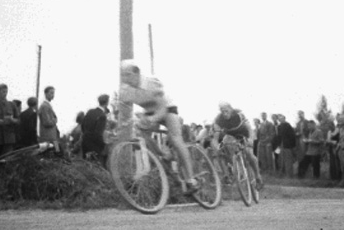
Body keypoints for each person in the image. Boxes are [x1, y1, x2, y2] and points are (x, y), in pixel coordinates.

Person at [119, 60, 199, 194]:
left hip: (167, 108)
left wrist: (152, 119)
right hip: (149, 111)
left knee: (175, 139)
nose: (125, 78)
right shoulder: (126, 90)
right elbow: (124, 113)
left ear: (137, 73)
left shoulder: (150, 82)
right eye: (123, 75)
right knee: (140, 132)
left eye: (128, 74)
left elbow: (162, 109)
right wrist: (122, 125)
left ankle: (191, 179)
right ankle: (162, 156)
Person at [210, 101, 263, 189]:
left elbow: (249, 128)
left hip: (244, 133)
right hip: (230, 135)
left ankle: (258, 176)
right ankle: (227, 175)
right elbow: (215, 138)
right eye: (222, 111)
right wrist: (216, 147)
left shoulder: (238, 114)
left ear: (231, 109)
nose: (225, 114)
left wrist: (250, 139)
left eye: (226, 111)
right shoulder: (218, 119)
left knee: (249, 153)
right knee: (221, 151)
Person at [81, 94, 110, 165]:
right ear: (107, 103)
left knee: (86, 165)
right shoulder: (102, 116)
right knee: (95, 167)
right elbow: (98, 134)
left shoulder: (90, 111)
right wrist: (103, 145)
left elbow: (82, 126)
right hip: (95, 146)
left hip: (85, 142)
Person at [38, 86, 60, 152]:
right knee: (54, 153)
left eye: (53, 93)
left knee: (57, 152)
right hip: (48, 137)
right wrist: (55, 120)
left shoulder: (47, 105)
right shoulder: (45, 106)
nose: (53, 95)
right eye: (51, 93)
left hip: (51, 136)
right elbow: (47, 122)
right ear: (46, 94)